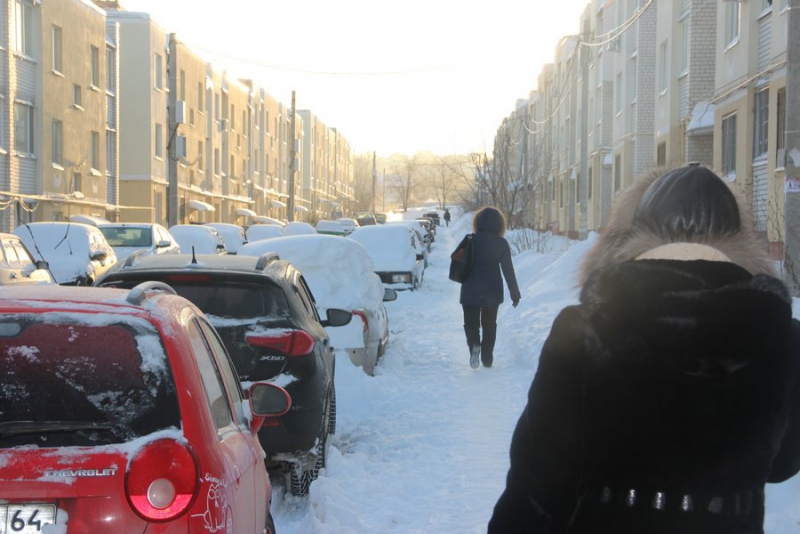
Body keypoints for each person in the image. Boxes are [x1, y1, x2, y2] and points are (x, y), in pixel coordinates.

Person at [488, 164, 800, 534]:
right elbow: (782, 465)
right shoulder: (783, 334)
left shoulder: (586, 328)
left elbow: (536, 482)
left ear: (632, 233)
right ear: (737, 237)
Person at [458, 206, 521, 369]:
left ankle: (474, 346)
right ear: (499, 225)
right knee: (489, 323)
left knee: (471, 322)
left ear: (477, 223)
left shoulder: (470, 240)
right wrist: (515, 293)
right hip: (492, 289)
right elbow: (508, 270)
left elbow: (457, 260)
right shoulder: (501, 243)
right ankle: (487, 357)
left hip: (470, 288)